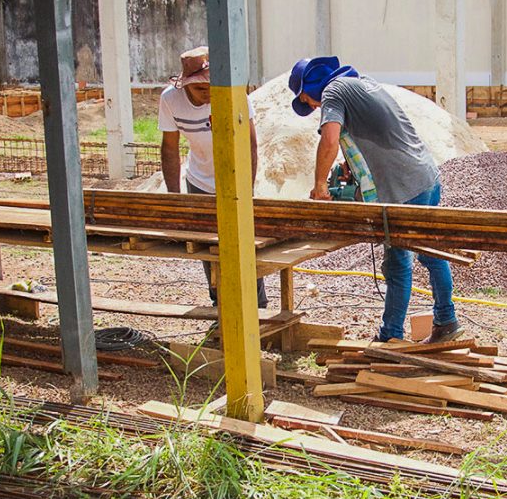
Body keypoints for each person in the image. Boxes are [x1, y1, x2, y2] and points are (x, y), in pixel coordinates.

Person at [288, 56, 461, 343]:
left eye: (308, 100)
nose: (313, 106)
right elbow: (380, 132)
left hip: (403, 188)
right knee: (431, 253)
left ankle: (391, 335)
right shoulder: (363, 83)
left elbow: (329, 139)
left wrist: (320, 186)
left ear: (313, 85)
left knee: (397, 264)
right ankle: (446, 320)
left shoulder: (332, 91)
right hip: (426, 176)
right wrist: (351, 166)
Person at [158, 46, 267, 310]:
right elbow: (170, 148)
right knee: (209, 250)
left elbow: (249, 145)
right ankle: (221, 306)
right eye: (200, 89)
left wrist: (247, 188)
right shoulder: (170, 100)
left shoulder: (233, 96)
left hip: (235, 179)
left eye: (211, 86)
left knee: (245, 246)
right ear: (185, 85)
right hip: (199, 182)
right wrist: (175, 198)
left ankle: (257, 307)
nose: (208, 94)